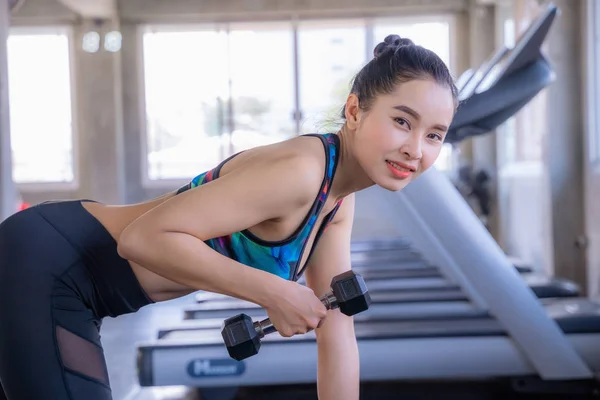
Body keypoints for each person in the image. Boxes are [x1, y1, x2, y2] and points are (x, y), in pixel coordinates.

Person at [0, 34, 458, 400]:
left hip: (80, 286)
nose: (415, 149)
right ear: (355, 110)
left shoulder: (337, 199)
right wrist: (274, 292)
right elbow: (141, 239)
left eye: (434, 135)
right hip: (47, 264)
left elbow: (336, 329)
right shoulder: (300, 172)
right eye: (403, 121)